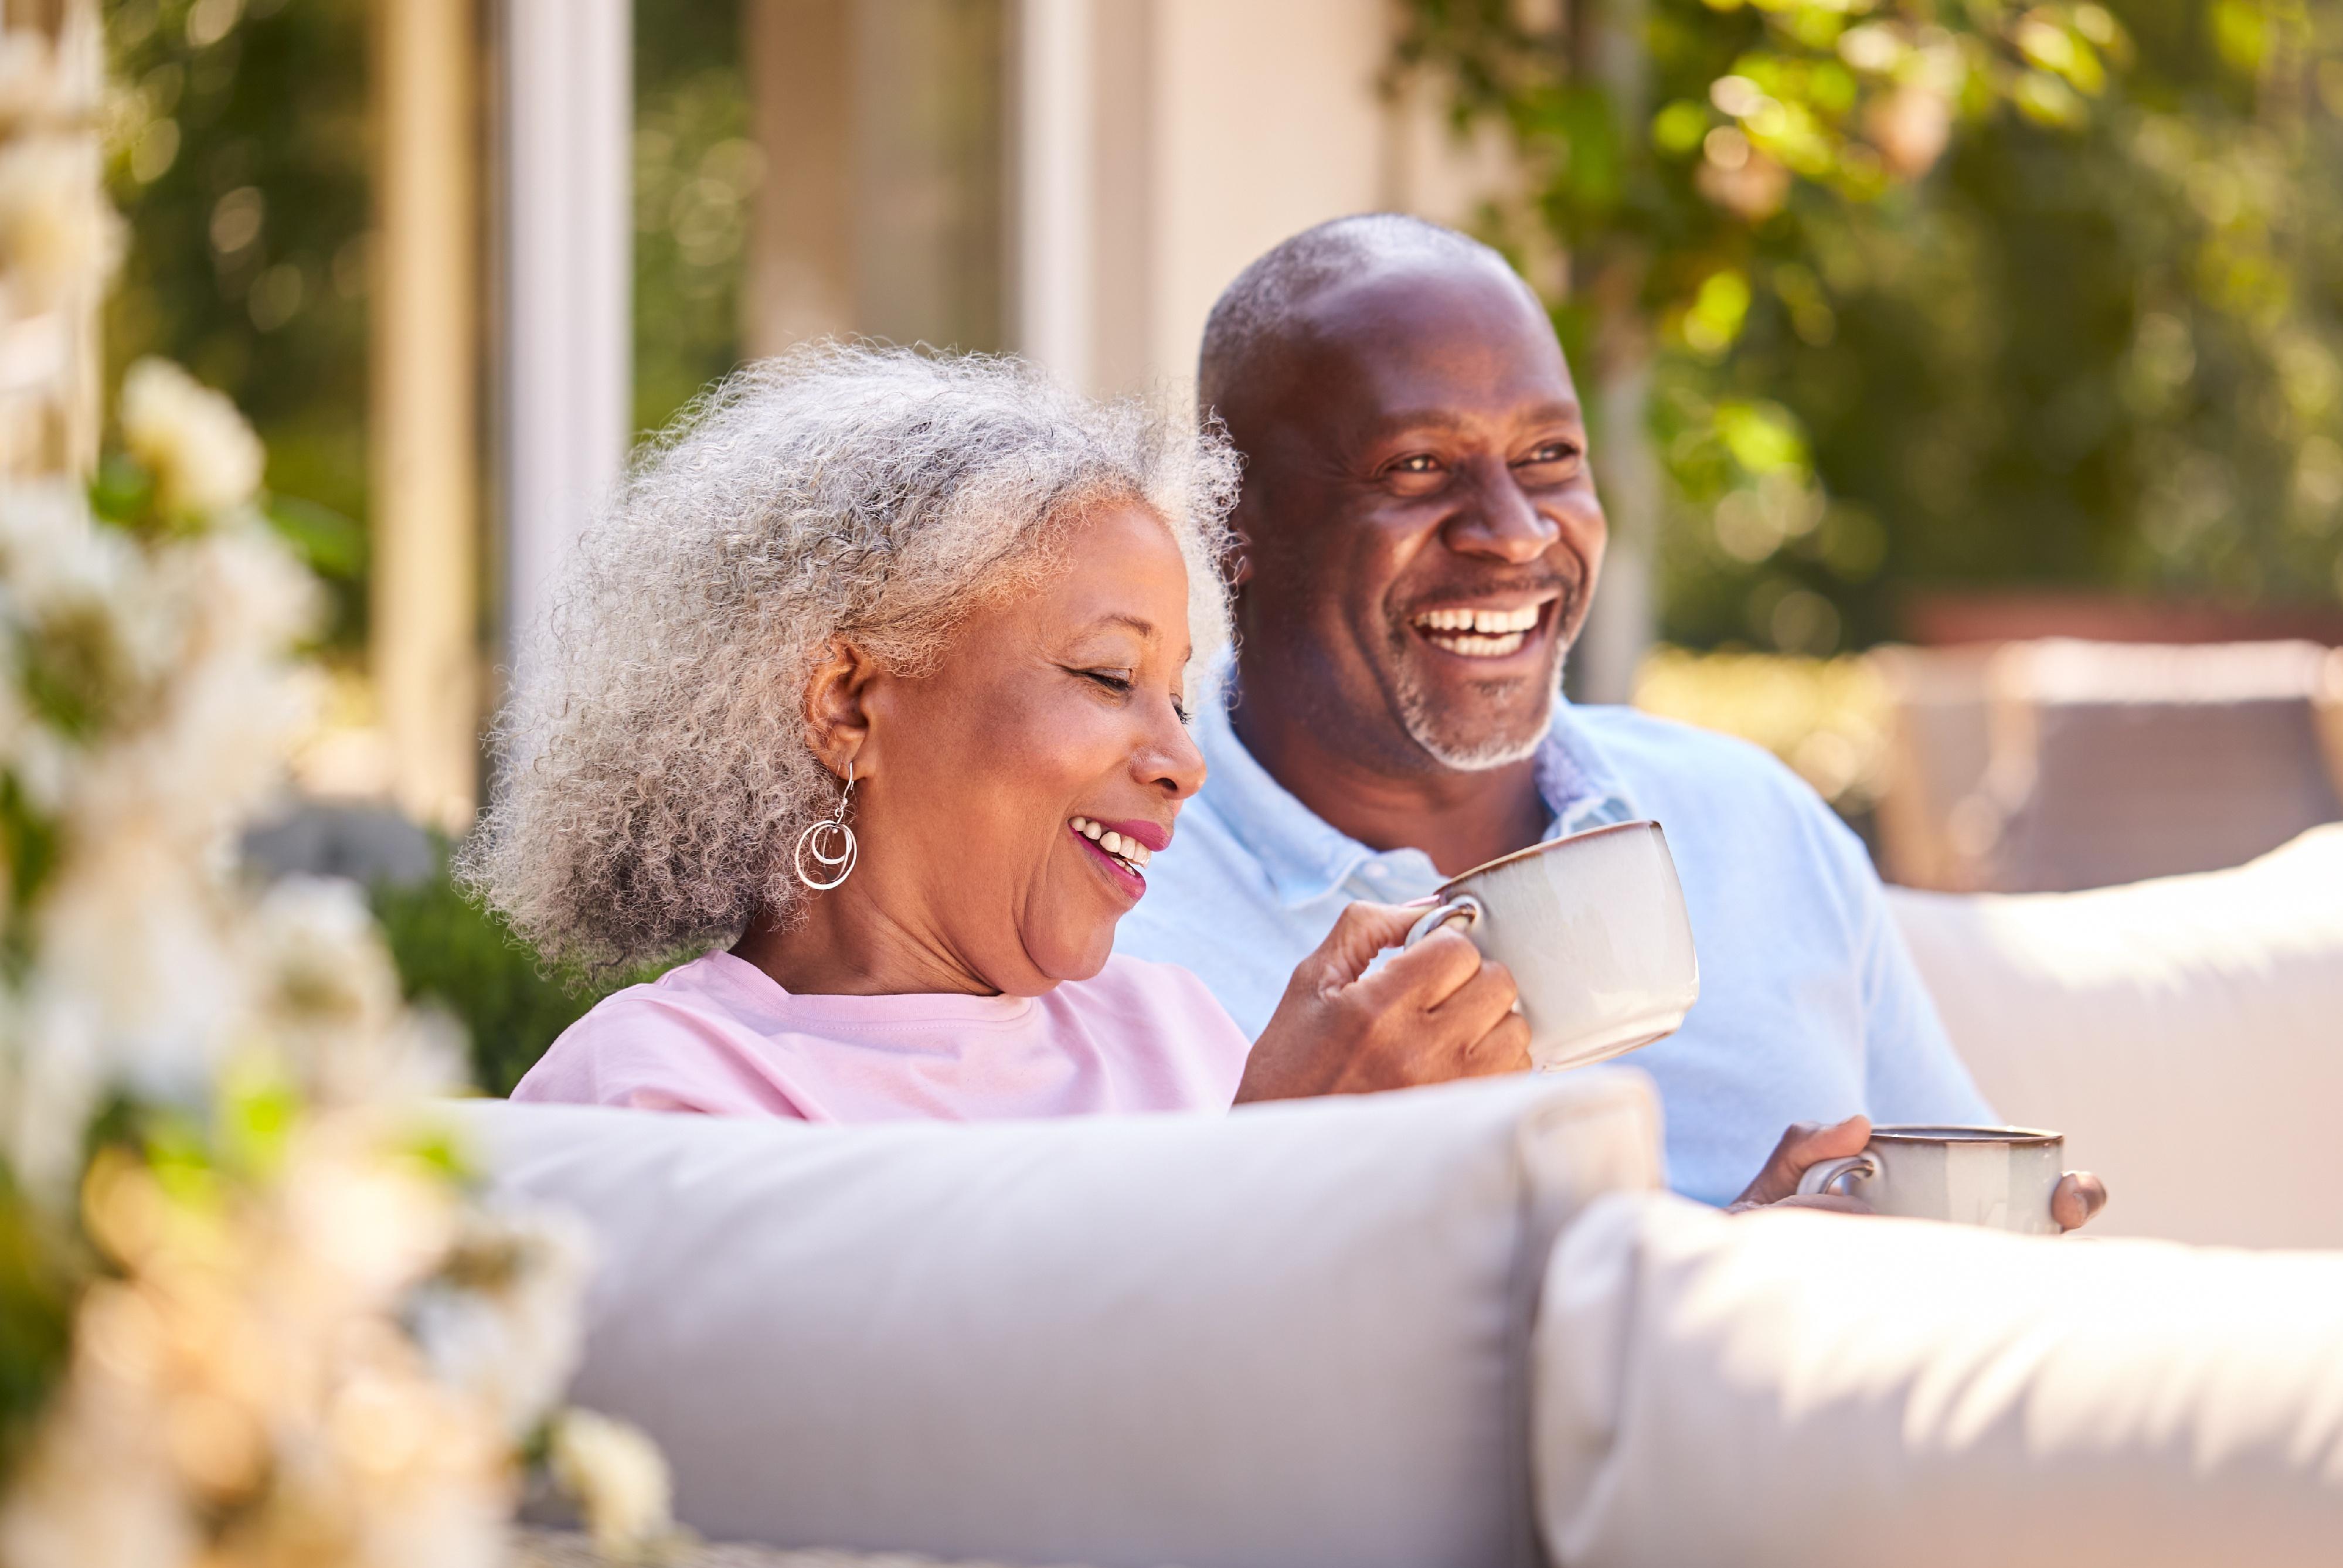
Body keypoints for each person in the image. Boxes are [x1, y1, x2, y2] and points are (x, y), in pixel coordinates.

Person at [1115, 214, 2103, 1223]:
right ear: (1232, 523)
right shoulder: (1109, 907)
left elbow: (1971, 1230)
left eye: (1547, 455)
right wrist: (1281, 1162)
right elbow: (1081, 1362)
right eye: (1417, 465)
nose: (1514, 531)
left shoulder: (1751, 824)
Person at [465, 345, 1532, 1123]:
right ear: (846, 703)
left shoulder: (1170, 1032)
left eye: (1175, 695)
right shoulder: (663, 1086)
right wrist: (1284, 1154)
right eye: (1108, 674)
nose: (1185, 762)